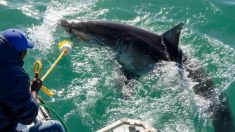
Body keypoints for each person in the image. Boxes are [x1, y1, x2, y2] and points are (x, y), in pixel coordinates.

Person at [0, 29, 64, 132]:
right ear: (20, 52)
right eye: (25, 50)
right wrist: (34, 90)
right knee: (55, 127)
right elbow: (28, 117)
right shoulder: (15, 75)